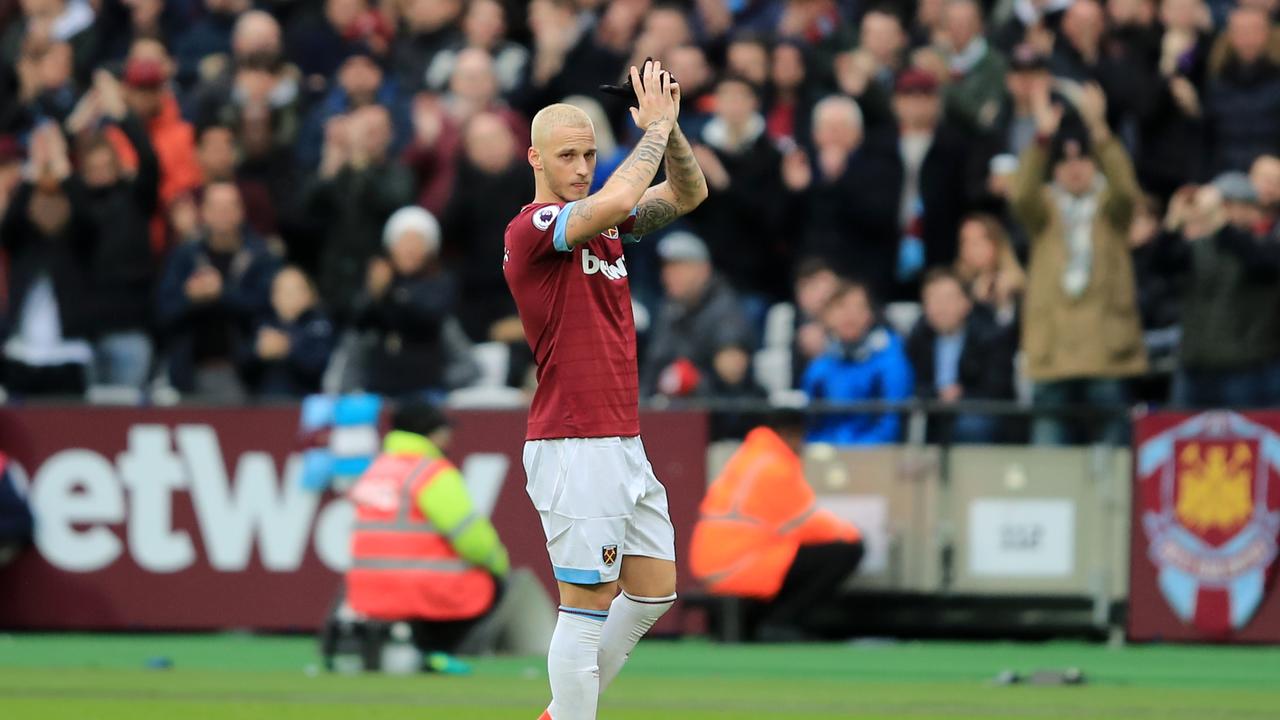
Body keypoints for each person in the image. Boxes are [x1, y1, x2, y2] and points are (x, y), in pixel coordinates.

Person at [502, 60, 707, 720]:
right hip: (572, 440)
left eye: (590, 153)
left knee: (652, 592)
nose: (582, 165)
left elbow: (688, 193)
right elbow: (617, 200)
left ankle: (562, 713)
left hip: (618, 438)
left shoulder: (608, 225)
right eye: (567, 155)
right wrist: (652, 127)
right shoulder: (532, 229)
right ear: (534, 158)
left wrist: (669, 134)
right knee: (586, 604)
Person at [1012, 82, 1147, 445]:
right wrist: (1042, 137)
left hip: (1105, 347)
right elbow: (1020, 193)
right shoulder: (1043, 212)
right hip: (1053, 347)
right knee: (1050, 453)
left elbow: (1125, 188)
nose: (1074, 168)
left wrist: (1100, 130)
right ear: (1053, 170)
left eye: (1082, 159)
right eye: (1065, 161)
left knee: (1113, 454)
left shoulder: (1110, 210)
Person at [342, 400, 509, 661]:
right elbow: (471, 538)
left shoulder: (376, 469)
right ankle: (436, 653)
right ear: (432, 433)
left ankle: (415, 646)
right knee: (493, 582)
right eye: (444, 430)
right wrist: (498, 563)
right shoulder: (432, 473)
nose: (449, 437)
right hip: (422, 590)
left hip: (366, 591)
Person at [690, 409, 863, 642]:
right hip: (740, 564)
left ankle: (772, 622)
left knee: (802, 554)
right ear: (792, 435)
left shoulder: (749, 457)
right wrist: (850, 532)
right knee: (846, 551)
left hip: (720, 562)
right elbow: (808, 524)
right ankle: (782, 622)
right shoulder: (775, 466)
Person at [1153, 181, 1280, 407]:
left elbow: (1261, 263)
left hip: (1246, 368)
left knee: (1243, 439)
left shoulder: (1265, 244)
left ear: (1252, 209)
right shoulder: (1197, 247)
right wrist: (1172, 222)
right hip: (1193, 364)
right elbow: (1158, 265)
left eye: (1229, 205)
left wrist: (1220, 224)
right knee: (1184, 437)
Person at [155, 181, 279, 399]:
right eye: (216, 207)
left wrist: (222, 294)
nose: (223, 214)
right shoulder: (184, 256)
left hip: (243, 371)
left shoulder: (262, 257)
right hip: (186, 369)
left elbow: (269, 307)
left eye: (229, 207)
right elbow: (162, 311)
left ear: (241, 212)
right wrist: (191, 298)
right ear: (204, 212)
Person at [355, 206, 458, 399]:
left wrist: (390, 293)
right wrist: (373, 294)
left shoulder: (439, 281)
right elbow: (359, 321)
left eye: (417, 242)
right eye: (404, 241)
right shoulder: (379, 281)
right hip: (378, 385)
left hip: (425, 385)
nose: (410, 249)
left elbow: (429, 316)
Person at [906, 268, 1017, 443]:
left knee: (972, 426)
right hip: (932, 412)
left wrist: (961, 394)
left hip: (977, 413)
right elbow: (909, 385)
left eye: (947, 299)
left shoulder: (990, 335)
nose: (940, 307)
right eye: (932, 299)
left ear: (966, 303)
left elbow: (998, 389)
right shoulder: (918, 337)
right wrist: (937, 394)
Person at [640, 232, 753, 399]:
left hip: (710, 419)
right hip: (664, 415)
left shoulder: (725, 310)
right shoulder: (668, 310)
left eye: (679, 268)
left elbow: (732, 380)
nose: (669, 276)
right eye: (666, 268)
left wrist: (693, 381)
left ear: (703, 269)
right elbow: (653, 370)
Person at [802, 281, 914, 445]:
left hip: (877, 458)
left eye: (857, 307)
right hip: (829, 458)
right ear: (828, 317)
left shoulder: (891, 361)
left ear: (869, 315)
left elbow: (891, 427)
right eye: (841, 307)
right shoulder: (818, 369)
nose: (849, 315)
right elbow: (812, 427)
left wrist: (853, 455)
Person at [239, 266, 335, 398]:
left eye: (294, 290)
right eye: (282, 291)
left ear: (311, 294)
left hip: (304, 405)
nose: (288, 296)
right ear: (272, 297)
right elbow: (241, 363)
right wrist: (258, 352)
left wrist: (287, 349)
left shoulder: (320, 324)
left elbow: (321, 366)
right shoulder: (263, 323)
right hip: (263, 406)